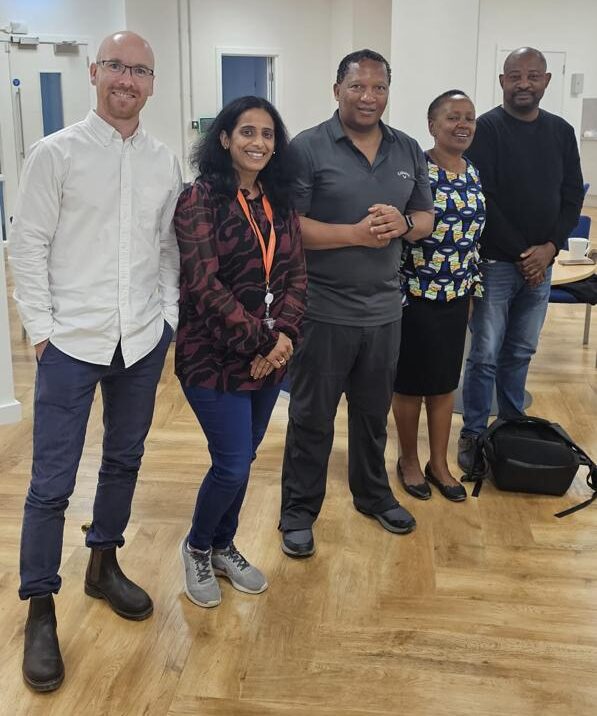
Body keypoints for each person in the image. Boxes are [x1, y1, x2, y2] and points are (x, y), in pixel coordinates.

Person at [9, 31, 181, 692]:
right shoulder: (54, 154)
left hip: (139, 339)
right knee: (51, 482)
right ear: (94, 72)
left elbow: (167, 250)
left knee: (124, 459)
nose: (127, 80)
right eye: (116, 66)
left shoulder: (165, 163)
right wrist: (42, 331)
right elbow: (28, 247)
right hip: (71, 343)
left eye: (140, 69)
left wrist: (165, 319)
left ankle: (102, 562)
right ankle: (41, 606)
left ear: (151, 82)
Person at [279, 49, 434, 558]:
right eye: (357, 86)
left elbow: (425, 219)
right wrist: (355, 234)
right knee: (311, 417)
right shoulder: (306, 148)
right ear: (337, 89)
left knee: (372, 415)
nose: (369, 97)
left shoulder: (408, 148)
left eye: (379, 88)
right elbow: (290, 228)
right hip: (323, 311)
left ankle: (372, 495)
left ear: (389, 91)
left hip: (386, 312)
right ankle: (298, 512)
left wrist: (403, 226)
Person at [175, 96, 306, 607]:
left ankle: (224, 544)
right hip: (212, 357)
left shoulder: (280, 199)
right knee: (230, 464)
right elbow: (204, 286)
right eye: (246, 132)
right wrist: (265, 342)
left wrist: (284, 339)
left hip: (269, 357)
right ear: (225, 139)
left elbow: (296, 276)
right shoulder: (199, 199)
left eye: (268, 134)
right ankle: (196, 546)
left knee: (244, 459)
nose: (258, 142)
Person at [458, 47, 584, 472]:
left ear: (547, 81)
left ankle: (509, 428)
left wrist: (549, 248)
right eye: (515, 75)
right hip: (495, 264)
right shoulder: (487, 130)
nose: (524, 83)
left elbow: (571, 195)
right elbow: (484, 200)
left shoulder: (562, 132)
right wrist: (522, 253)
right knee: (486, 354)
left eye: (533, 76)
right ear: (502, 81)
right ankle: (475, 433)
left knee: (521, 351)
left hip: (542, 265)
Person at [392, 90, 485, 502]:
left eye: (469, 118)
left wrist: (470, 292)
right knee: (411, 384)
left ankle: (439, 464)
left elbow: (474, 241)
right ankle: (409, 460)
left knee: (446, 384)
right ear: (432, 125)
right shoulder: (416, 170)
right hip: (414, 295)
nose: (462, 124)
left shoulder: (473, 173)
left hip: (457, 295)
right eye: (452, 117)